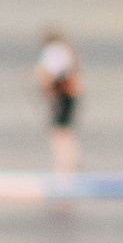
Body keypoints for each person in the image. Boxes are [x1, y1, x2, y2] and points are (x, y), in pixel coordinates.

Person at [32, 30, 84, 177]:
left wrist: (40, 77)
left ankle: (65, 169)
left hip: (63, 95)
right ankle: (70, 165)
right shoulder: (65, 50)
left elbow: (53, 71)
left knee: (59, 132)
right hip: (68, 94)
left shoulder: (54, 51)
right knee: (65, 131)